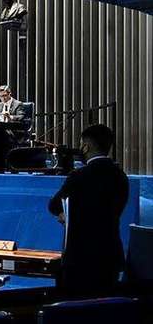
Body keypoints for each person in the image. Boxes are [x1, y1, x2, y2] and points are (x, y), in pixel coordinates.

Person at [47, 124, 128, 297]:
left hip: (80, 258)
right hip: (110, 256)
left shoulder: (79, 176)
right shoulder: (121, 177)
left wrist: (65, 215)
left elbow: (54, 205)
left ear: (86, 146)